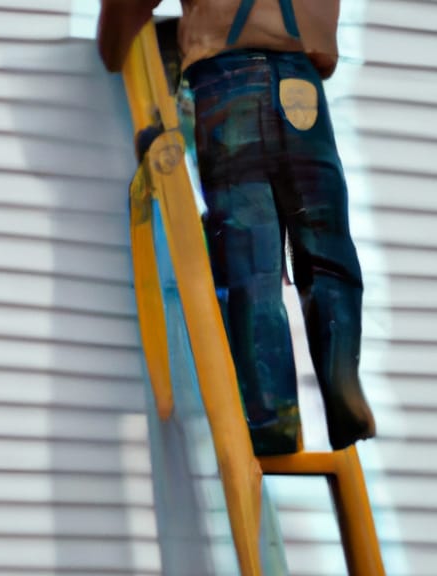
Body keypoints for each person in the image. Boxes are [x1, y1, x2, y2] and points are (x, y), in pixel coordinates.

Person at [98, 0, 375, 455]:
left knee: (251, 259)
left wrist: (113, 48)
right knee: (326, 247)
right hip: (303, 86)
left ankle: (272, 413)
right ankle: (343, 382)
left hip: (228, 84)